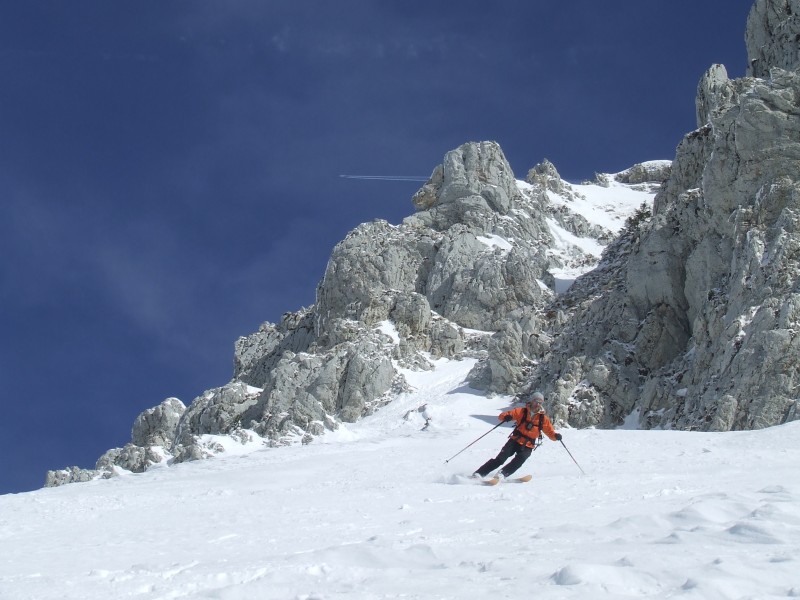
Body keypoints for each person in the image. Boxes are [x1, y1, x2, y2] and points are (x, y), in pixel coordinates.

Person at [473, 391, 562, 480]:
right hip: (515, 440)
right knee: (500, 459)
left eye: (540, 402)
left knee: (520, 460)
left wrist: (556, 436)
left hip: (529, 444)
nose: (537, 404)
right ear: (532, 401)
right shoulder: (521, 411)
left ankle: (502, 474)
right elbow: (502, 416)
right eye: (536, 401)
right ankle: (479, 473)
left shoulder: (543, 419)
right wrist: (507, 417)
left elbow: (550, 432)